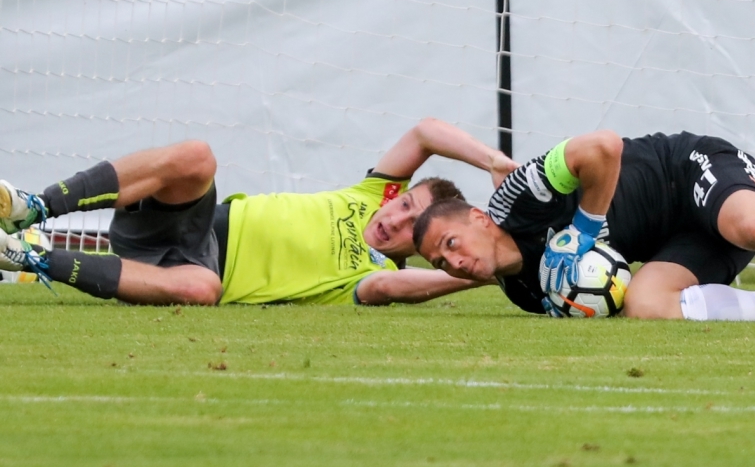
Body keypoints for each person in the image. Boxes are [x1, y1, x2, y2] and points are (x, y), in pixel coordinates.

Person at [412, 129, 755, 322]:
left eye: (450, 244)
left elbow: (602, 147)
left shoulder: (517, 196)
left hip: (688, 171)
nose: (453, 262)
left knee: (751, 226)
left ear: (481, 218)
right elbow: (599, 301)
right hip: (681, 243)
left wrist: (585, 229)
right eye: (441, 262)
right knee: (645, 306)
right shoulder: (522, 292)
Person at [0, 118, 515, 306]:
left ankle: (27, 256)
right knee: (198, 156)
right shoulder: (372, 195)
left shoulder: (376, 275)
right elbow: (425, 132)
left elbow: (388, 289)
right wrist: (492, 158)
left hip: (180, 273)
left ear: (421, 253)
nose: (394, 221)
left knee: (203, 291)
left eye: (409, 230)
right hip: (186, 223)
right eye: (404, 205)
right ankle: (34, 207)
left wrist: (484, 274)